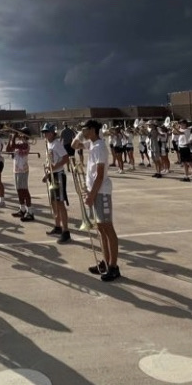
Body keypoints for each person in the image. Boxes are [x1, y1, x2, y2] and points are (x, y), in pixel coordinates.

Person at [77, 120, 120, 281]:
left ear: (93, 130)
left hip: (101, 192)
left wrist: (91, 195)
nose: (82, 132)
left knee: (108, 229)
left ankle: (114, 266)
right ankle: (105, 262)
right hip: (95, 192)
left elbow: (100, 175)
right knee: (100, 229)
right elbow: (75, 145)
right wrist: (89, 191)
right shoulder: (93, 145)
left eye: (85, 129)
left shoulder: (100, 147)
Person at [41, 122, 71, 244]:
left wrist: (54, 167)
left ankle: (66, 231)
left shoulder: (57, 144)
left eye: (47, 132)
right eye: (44, 132)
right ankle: (57, 226)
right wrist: (47, 174)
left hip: (58, 175)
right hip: (52, 175)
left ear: (53, 132)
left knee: (60, 203)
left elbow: (65, 158)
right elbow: (50, 161)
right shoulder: (48, 144)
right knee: (54, 202)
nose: (45, 134)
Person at [7, 131, 34, 222]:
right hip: (16, 170)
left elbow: (13, 146)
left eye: (21, 133)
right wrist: (10, 138)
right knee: (19, 190)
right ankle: (22, 209)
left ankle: (30, 212)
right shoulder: (18, 143)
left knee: (24, 190)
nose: (19, 135)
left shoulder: (25, 144)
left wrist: (14, 137)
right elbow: (8, 149)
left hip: (23, 170)